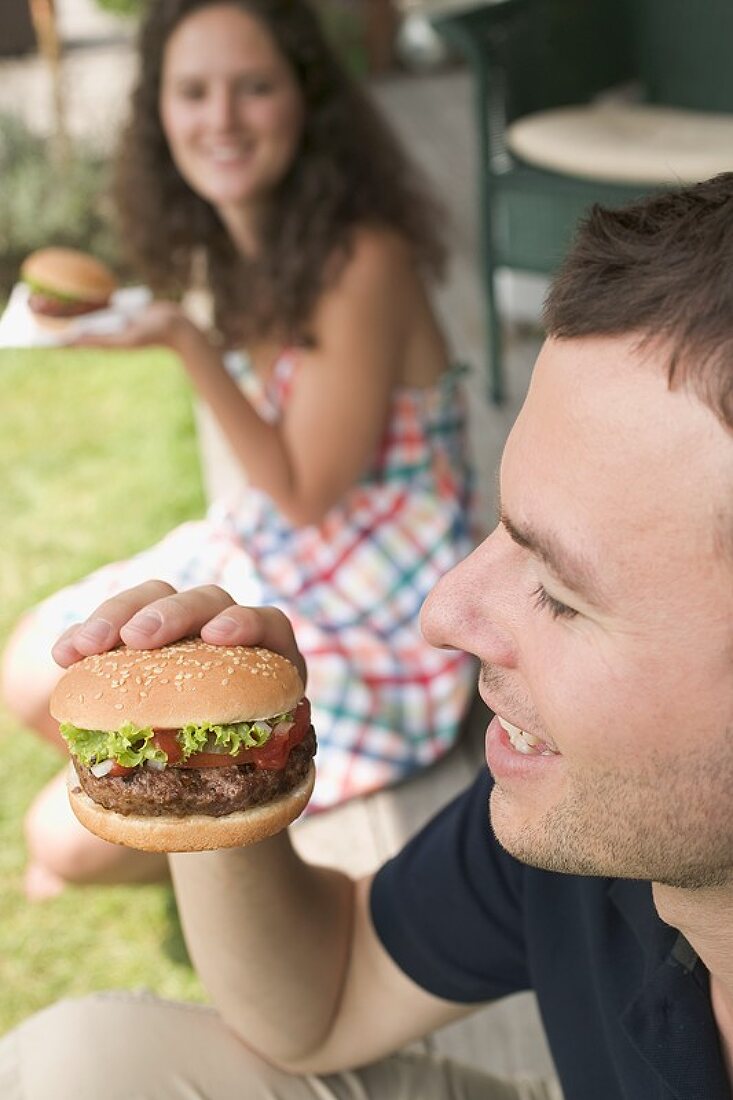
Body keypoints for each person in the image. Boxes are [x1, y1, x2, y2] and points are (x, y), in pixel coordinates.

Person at [3, 174, 732, 1100]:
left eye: (557, 592)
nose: (444, 614)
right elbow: (327, 994)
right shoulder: (597, 829)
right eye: (503, 529)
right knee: (83, 1065)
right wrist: (223, 785)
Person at [0, 0, 477, 898]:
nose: (219, 119)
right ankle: (156, 775)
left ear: (304, 98)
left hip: (374, 590)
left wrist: (184, 341)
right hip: (271, 544)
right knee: (27, 667)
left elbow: (305, 491)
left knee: (57, 846)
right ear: (159, 113)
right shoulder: (250, 240)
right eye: (193, 92)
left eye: (252, 87)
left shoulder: (360, 258)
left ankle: (178, 801)